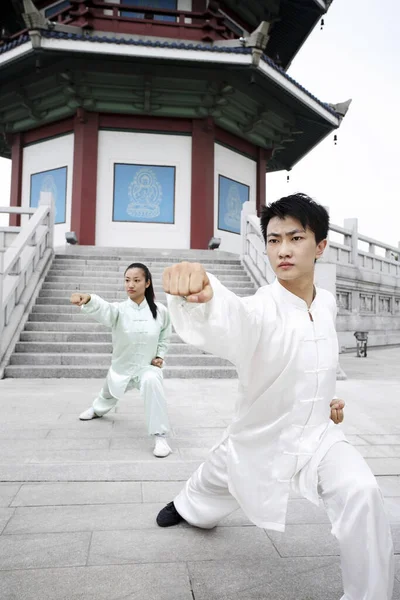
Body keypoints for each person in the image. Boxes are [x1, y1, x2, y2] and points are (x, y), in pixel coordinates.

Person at [156, 194, 394, 599]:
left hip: (318, 436)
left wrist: (328, 400)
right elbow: (233, 317)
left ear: (320, 246)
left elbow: (315, 360)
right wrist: (204, 290)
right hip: (261, 433)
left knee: (363, 492)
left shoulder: (330, 303)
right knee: (220, 471)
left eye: (295, 238)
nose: (282, 250)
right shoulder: (262, 307)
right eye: (273, 239)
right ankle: (185, 505)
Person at [70, 262, 172, 458]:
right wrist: (89, 299)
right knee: (108, 392)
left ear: (147, 283)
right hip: (121, 367)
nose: (130, 285)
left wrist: (160, 356)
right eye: (127, 280)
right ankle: (97, 410)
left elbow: (164, 335)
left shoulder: (160, 311)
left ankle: (160, 437)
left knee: (152, 381)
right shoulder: (119, 310)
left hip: (146, 368)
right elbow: (104, 308)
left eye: (136, 280)